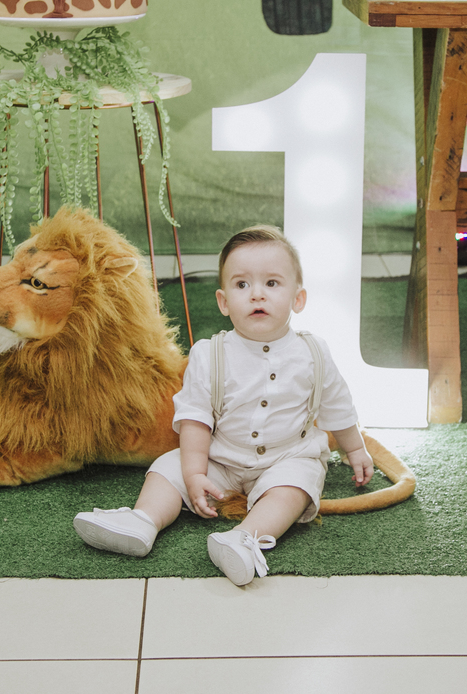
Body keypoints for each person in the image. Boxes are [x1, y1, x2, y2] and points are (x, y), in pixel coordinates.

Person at [73, 225, 373, 586]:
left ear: (298, 299)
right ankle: (143, 520)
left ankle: (244, 539)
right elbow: (195, 419)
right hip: (221, 457)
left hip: (287, 456)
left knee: (297, 486)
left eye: (272, 283)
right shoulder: (209, 354)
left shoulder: (314, 352)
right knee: (166, 468)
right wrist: (195, 474)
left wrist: (356, 449)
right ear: (223, 301)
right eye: (242, 284)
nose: (257, 294)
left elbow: (337, 406)